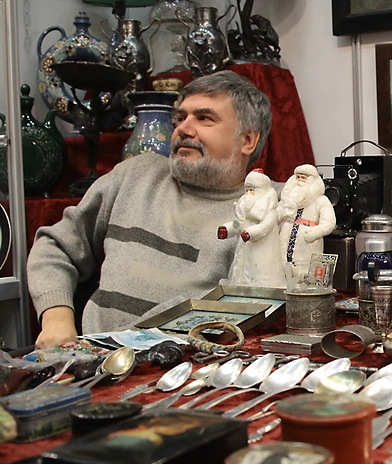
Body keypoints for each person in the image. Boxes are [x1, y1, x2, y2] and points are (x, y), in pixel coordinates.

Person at [28, 70, 272, 349]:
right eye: (181, 117)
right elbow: (55, 246)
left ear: (247, 141)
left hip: (193, 359)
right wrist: (56, 319)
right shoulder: (134, 175)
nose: (183, 129)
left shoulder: (267, 207)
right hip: (97, 355)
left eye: (204, 118)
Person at [217, 168, 285, 288]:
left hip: (262, 252)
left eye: (252, 190)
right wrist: (227, 230)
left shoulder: (270, 212)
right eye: (247, 190)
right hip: (245, 250)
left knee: (260, 273)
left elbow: (264, 228)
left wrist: (250, 233)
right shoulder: (244, 211)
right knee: (242, 271)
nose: (248, 194)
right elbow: (238, 224)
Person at [277, 164, 336, 285]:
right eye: (297, 177)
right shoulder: (288, 199)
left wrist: (317, 232)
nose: (299, 181)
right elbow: (276, 215)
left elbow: (329, 222)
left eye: (303, 178)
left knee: (307, 274)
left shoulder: (321, 200)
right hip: (284, 244)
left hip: (308, 243)